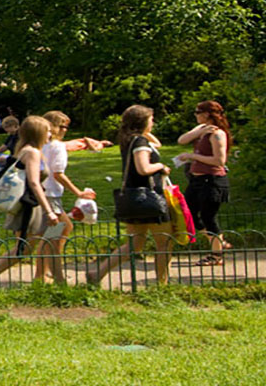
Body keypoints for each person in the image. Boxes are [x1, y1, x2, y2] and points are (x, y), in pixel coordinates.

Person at [87, 105, 174, 286]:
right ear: (142, 122)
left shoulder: (132, 140)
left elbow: (157, 144)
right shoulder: (140, 143)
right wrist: (160, 167)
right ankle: (162, 284)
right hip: (150, 198)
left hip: (134, 197)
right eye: (151, 119)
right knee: (164, 243)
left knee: (134, 245)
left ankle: (97, 274)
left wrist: (144, 131)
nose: (153, 122)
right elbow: (143, 169)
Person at [0, 116, 60, 288]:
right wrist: (48, 211)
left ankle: (49, 277)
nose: (51, 133)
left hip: (33, 203)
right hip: (29, 205)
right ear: (38, 132)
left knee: (50, 236)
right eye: (48, 130)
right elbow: (34, 183)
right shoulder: (32, 153)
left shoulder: (27, 149)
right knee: (23, 248)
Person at [39, 111, 96, 283]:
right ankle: (53, 277)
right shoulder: (57, 146)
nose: (65, 130)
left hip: (43, 193)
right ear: (55, 127)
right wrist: (78, 192)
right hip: (51, 195)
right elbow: (58, 174)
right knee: (55, 235)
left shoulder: (41, 144)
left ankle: (44, 272)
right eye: (63, 126)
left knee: (57, 232)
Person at [176, 100, 232, 266]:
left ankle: (216, 255)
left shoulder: (217, 134)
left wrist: (192, 156)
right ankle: (218, 242)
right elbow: (182, 140)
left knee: (208, 217)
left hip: (212, 180)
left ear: (207, 114)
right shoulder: (202, 130)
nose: (195, 115)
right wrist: (199, 130)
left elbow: (219, 160)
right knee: (189, 213)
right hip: (197, 180)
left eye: (197, 112)